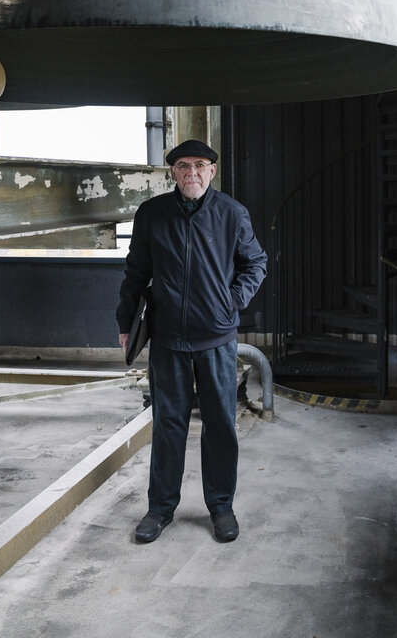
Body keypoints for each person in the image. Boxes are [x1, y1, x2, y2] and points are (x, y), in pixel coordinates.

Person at [116, 138, 267, 544]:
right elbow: (135, 271)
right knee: (168, 424)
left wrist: (231, 302)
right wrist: (125, 321)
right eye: (184, 166)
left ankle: (221, 507)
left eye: (200, 165)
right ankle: (160, 508)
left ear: (211, 171)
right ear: (173, 173)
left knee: (220, 424)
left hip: (216, 339)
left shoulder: (232, 214)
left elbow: (256, 262)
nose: (192, 173)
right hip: (167, 339)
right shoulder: (152, 214)